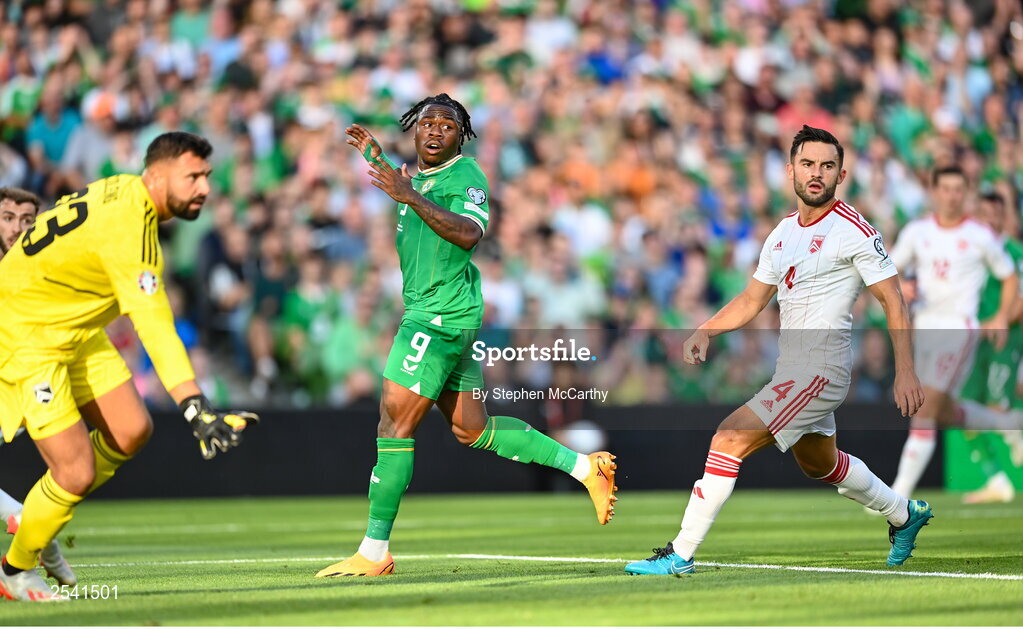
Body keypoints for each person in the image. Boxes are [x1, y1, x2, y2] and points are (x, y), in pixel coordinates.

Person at [316, 94, 617, 579]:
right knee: (472, 429)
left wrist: (407, 193)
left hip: (437, 318)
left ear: (462, 136)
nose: (436, 130)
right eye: (427, 123)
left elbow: (468, 233)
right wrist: (381, 163)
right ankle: (587, 469)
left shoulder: (465, 176)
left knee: (393, 428)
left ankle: (374, 552)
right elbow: (414, 194)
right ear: (414, 130)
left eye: (447, 126)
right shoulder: (417, 177)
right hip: (444, 314)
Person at [625, 126, 929, 576]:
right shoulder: (783, 233)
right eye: (808, 164)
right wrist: (706, 330)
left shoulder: (854, 230)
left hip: (820, 370)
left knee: (728, 437)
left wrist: (906, 371)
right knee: (820, 464)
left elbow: (894, 298)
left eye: (827, 166)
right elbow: (752, 300)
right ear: (790, 170)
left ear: (841, 174)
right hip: (794, 368)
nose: (816, 173)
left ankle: (680, 554)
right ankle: (904, 514)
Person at [0, 132, 259, 602]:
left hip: (71, 326)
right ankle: (15, 568)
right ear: (157, 176)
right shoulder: (132, 233)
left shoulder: (123, 189)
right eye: (193, 176)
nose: (204, 187)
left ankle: (40, 518)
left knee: (132, 429)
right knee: (74, 471)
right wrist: (194, 406)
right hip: (25, 332)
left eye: (207, 176)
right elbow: (156, 328)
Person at [887, 168, 1020, 501]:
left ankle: (896, 495)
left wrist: (1002, 316)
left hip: (960, 330)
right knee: (945, 411)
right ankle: (1006, 423)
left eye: (958, 189)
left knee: (925, 405)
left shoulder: (980, 235)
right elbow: (888, 270)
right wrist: (902, 286)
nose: (951, 195)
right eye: (945, 188)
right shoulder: (917, 232)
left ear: (966, 193)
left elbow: (1008, 277)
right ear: (934, 192)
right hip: (923, 328)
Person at [0, 187, 76, 588]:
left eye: (27, 220)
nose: (17, 228)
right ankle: (35, 534)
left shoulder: (44, 263)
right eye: (8, 218)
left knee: (69, 467)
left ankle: (31, 532)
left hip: (34, 378)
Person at [954, 192, 1023, 504]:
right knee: (964, 409)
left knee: (996, 407)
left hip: (1004, 339)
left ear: (1004, 216)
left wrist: (1001, 320)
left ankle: (1014, 431)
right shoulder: (972, 251)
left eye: (997, 213)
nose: (991, 219)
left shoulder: (1013, 252)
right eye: (985, 213)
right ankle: (996, 479)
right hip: (973, 341)